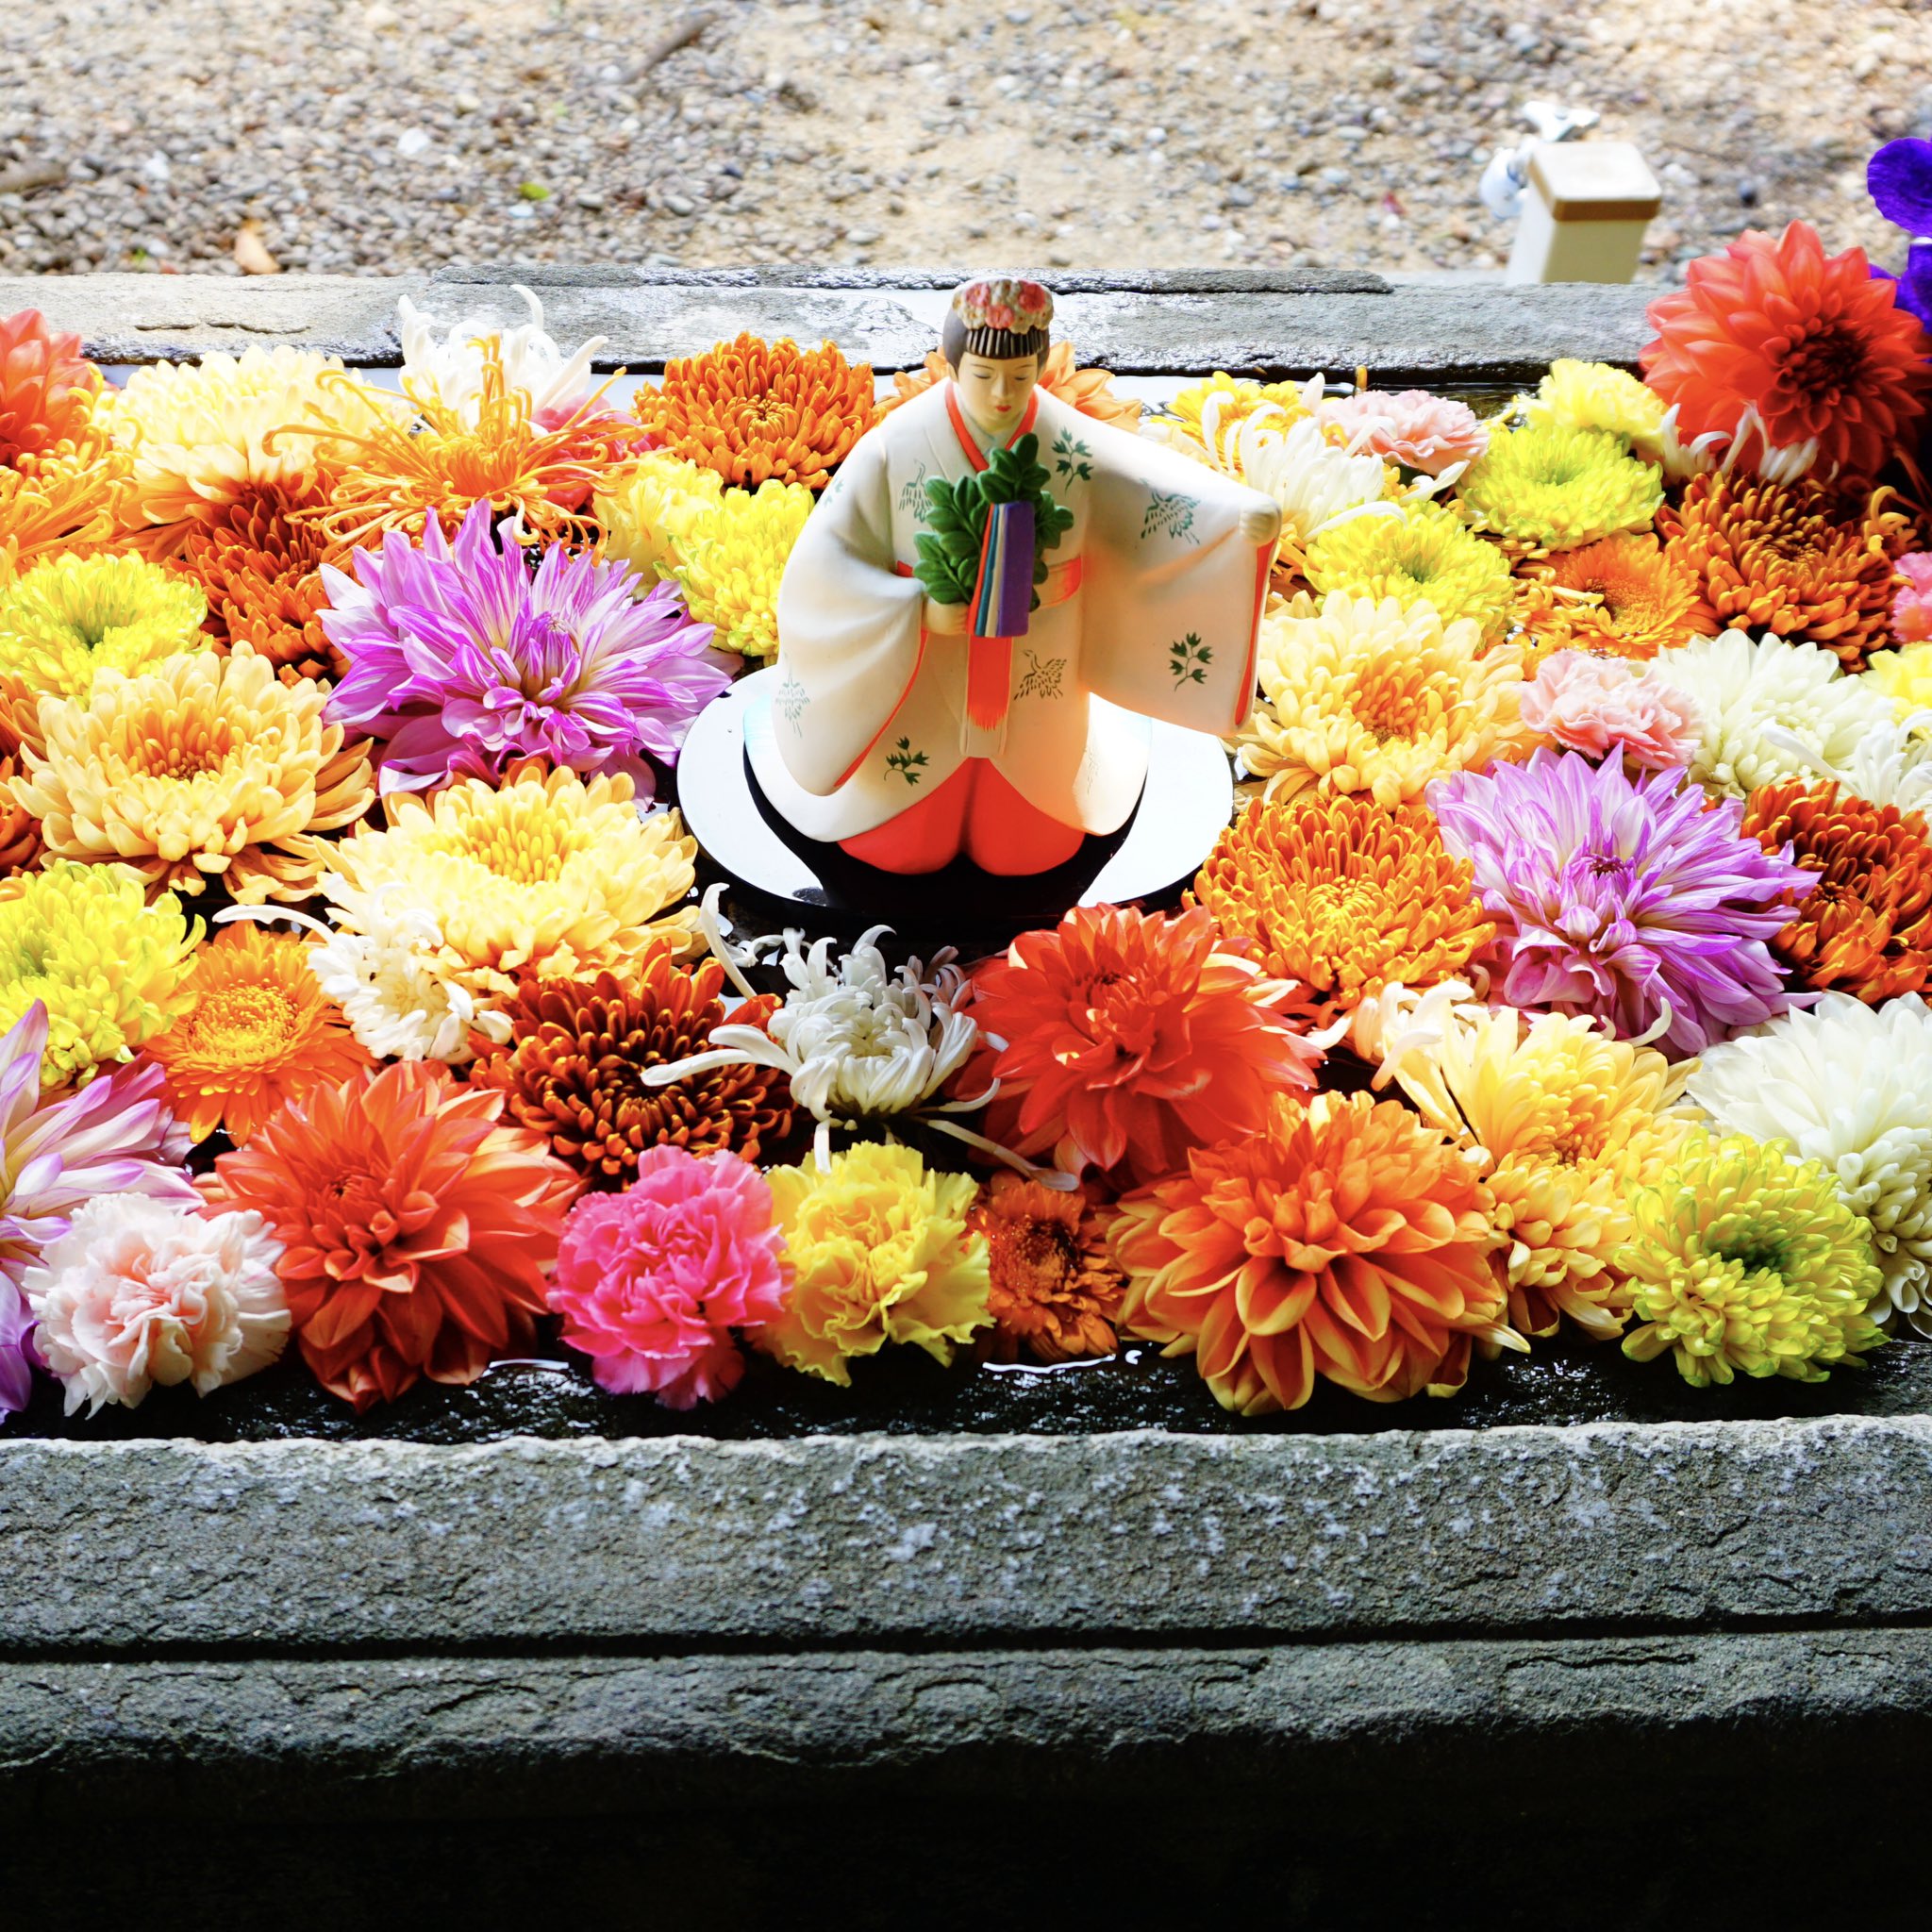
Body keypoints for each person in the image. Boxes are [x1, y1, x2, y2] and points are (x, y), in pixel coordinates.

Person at [769, 278, 1284, 875]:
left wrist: (1233, 513)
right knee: (903, 849)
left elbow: (1147, 481)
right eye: (984, 375)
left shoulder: (1067, 440)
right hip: (926, 661)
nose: (1002, 394)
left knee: (1028, 851)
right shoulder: (896, 444)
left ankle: (1026, 802)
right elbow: (824, 559)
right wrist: (910, 607)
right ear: (954, 365)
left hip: (1041, 658)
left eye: (1019, 376)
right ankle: (910, 801)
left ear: (1040, 365)